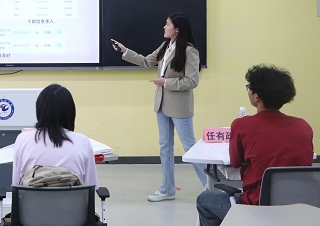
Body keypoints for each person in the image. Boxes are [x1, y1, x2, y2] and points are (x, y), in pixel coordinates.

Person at [196, 64, 314, 226]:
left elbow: (235, 161)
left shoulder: (242, 125)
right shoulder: (303, 126)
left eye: (249, 87)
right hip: (300, 208)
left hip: (258, 208)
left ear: (256, 97)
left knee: (205, 199)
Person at [111, 12, 206, 201]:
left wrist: (166, 82)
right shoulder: (166, 46)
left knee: (189, 146)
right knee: (165, 147)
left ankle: (211, 186)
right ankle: (167, 189)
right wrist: (125, 51)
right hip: (162, 104)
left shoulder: (190, 51)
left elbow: (192, 81)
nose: (164, 27)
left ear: (177, 29)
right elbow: (147, 61)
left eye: (168, 24)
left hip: (179, 106)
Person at [12, 83, 98, 188]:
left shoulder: (22, 140)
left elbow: (16, 185)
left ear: (39, 110)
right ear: (70, 112)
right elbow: (90, 187)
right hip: (72, 199)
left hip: (32, 199)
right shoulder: (83, 141)